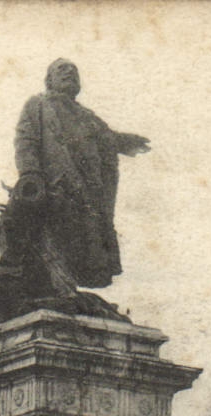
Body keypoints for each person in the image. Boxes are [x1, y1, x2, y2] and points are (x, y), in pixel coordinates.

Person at [14, 59, 150, 299]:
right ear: (49, 80)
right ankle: (60, 289)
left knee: (83, 241)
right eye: (61, 70)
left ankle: (67, 291)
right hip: (57, 186)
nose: (69, 73)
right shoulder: (38, 105)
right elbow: (26, 140)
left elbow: (108, 138)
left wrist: (126, 142)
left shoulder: (87, 117)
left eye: (74, 71)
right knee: (55, 238)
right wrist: (30, 173)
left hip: (88, 193)